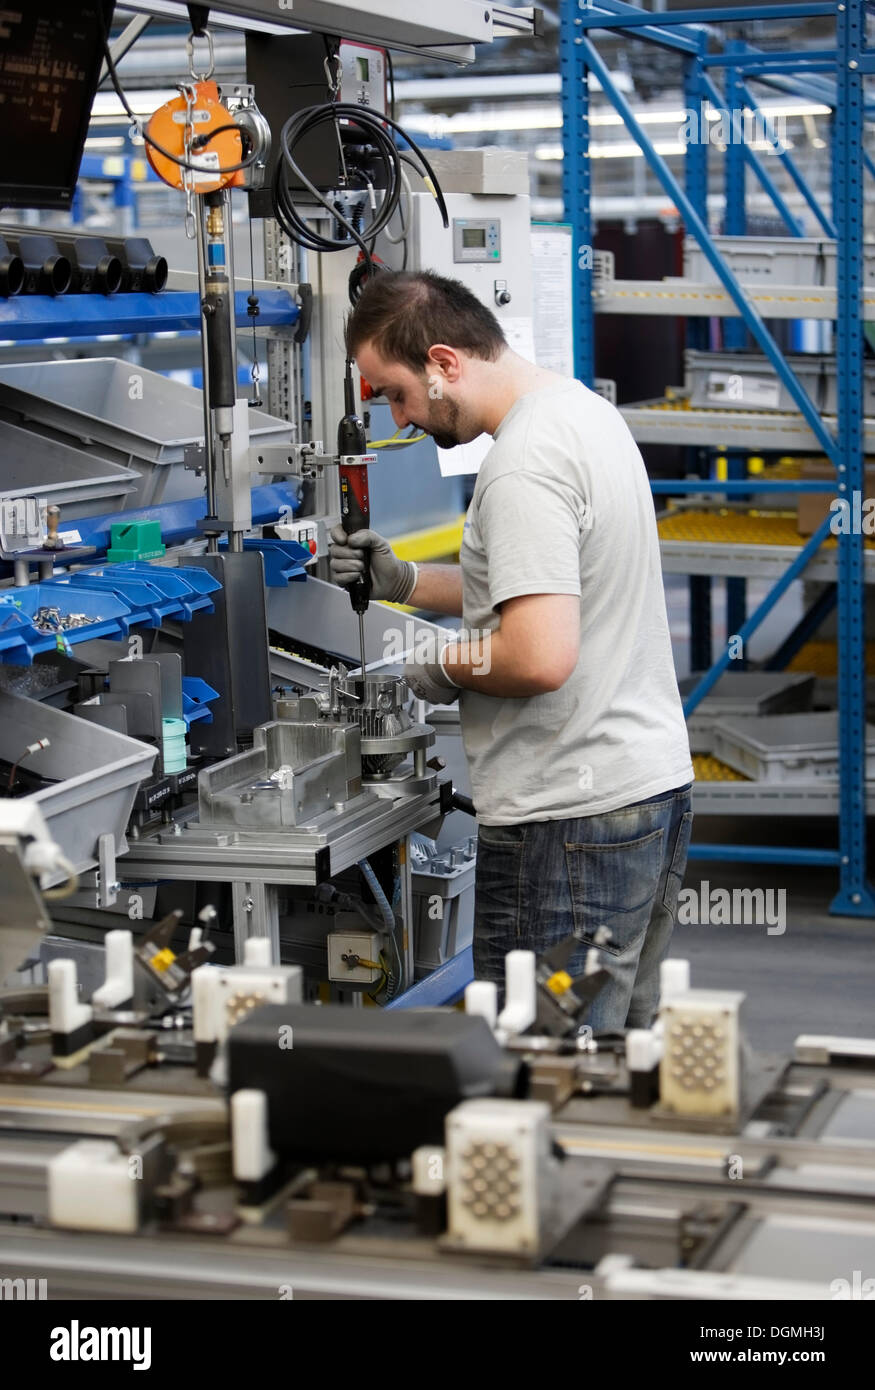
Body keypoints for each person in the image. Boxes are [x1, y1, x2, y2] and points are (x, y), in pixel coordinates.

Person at [329, 270, 694, 1030]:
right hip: (643, 790)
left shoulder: (521, 464)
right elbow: (540, 585)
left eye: (395, 393)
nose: (399, 418)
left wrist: (433, 666)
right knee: (614, 1062)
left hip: (567, 823)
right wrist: (399, 581)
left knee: (536, 1074)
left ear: (443, 362)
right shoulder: (581, 414)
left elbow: (536, 655)